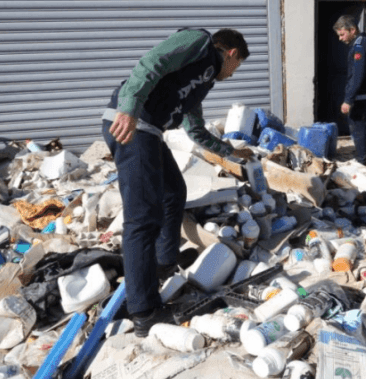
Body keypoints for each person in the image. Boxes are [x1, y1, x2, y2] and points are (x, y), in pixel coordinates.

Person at [102, 28, 254, 337]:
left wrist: (230, 152)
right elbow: (152, 61)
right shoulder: (198, 42)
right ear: (232, 54)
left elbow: (195, 130)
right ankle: (144, 312)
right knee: (142, 218)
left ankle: (163, 264)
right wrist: (129, 107)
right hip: (133, 125)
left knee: (174, 193)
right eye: (235, 68)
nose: (232, 75)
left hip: (149, 132)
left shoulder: (199, 82)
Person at [333, 15, 366, 168]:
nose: (340, 39)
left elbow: (357, 77)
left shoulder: (359, 47)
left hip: (362, 97)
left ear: (352, 30)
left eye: (342, 34)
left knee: (358, 129)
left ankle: (362, 164)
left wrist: (348, 100)